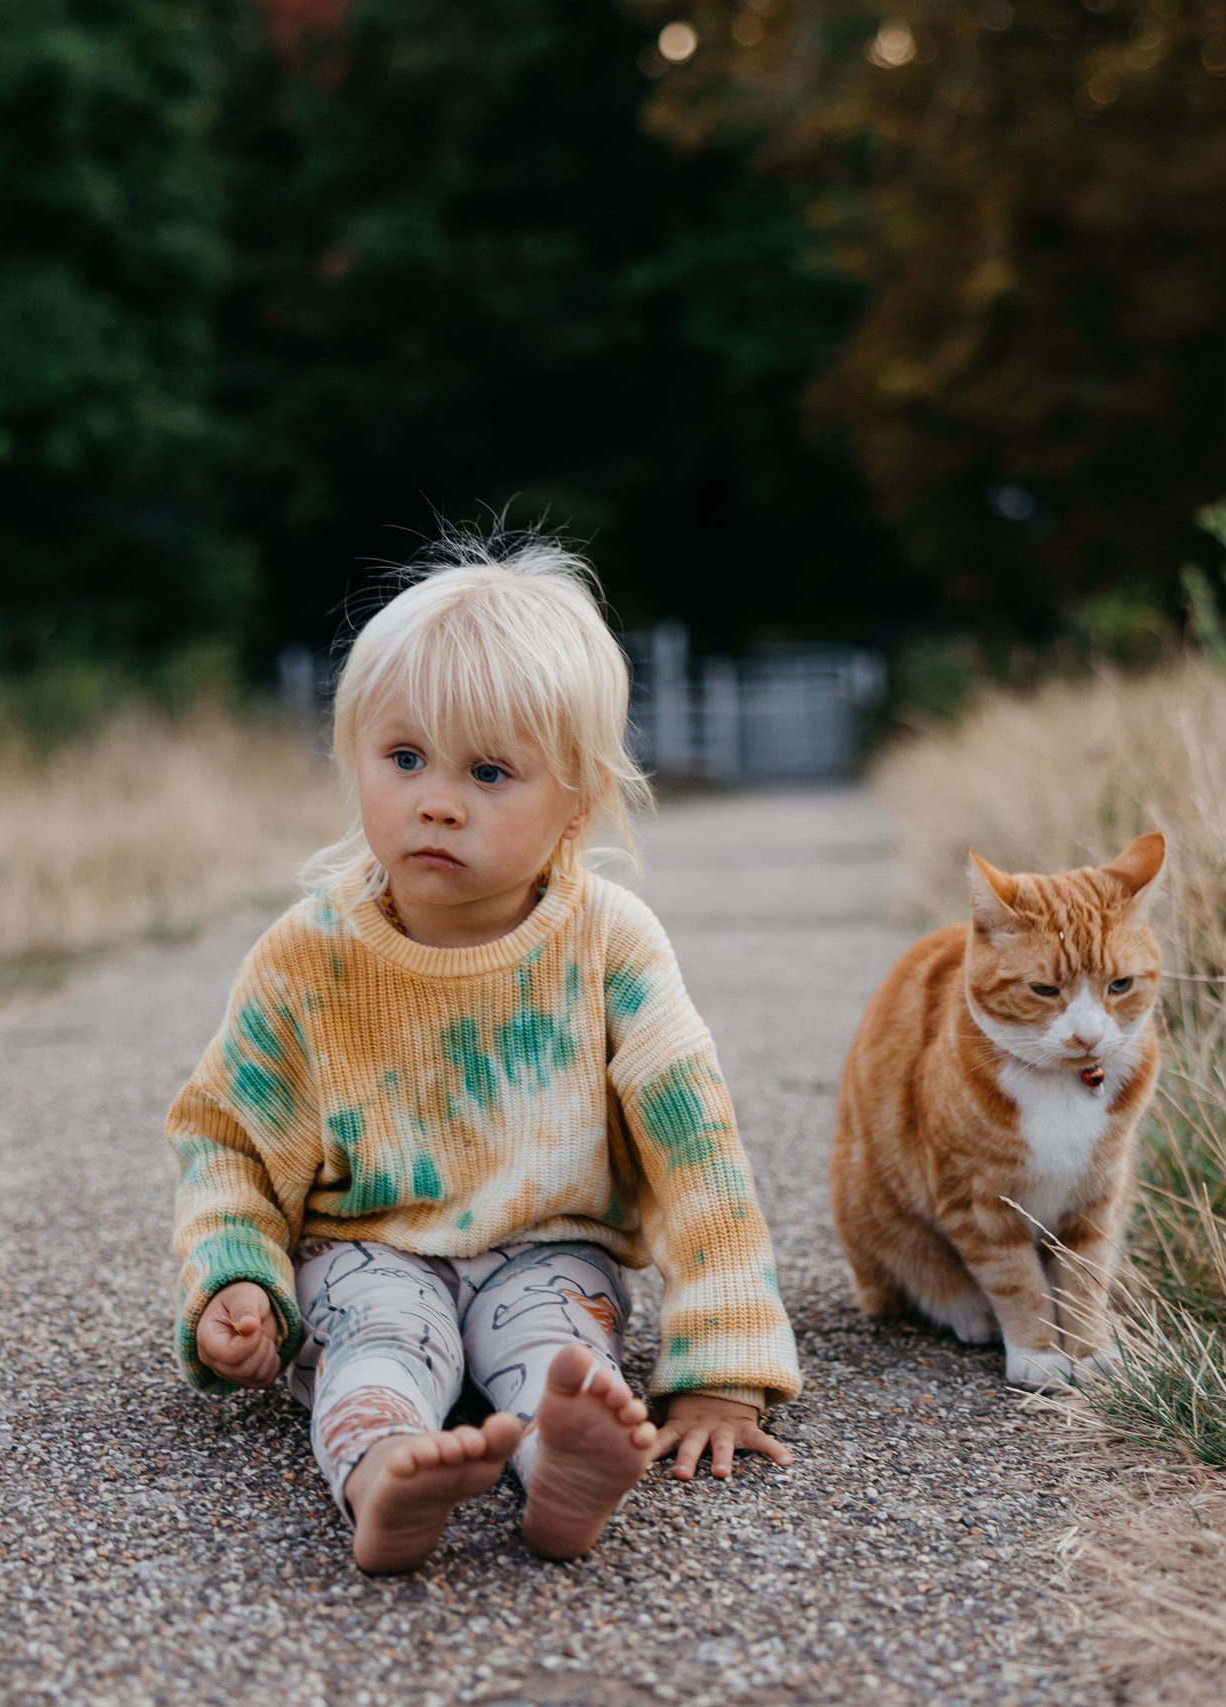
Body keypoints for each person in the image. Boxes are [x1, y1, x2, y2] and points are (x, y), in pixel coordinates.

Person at [165, 535, 800, 1573]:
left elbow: (699, 1154)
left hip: (552, 1251)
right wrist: (233, 1274)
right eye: (403, 758)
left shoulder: (610, 944)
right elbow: (226, 1136)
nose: (437, 800)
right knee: (374, 1352)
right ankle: (383, 1478)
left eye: (490, 772)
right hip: (364, 1251)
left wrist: (723, 1365)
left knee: (562, 1358)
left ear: (576, 805)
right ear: (352, 756)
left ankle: (565, 1471)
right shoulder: (309, 956)